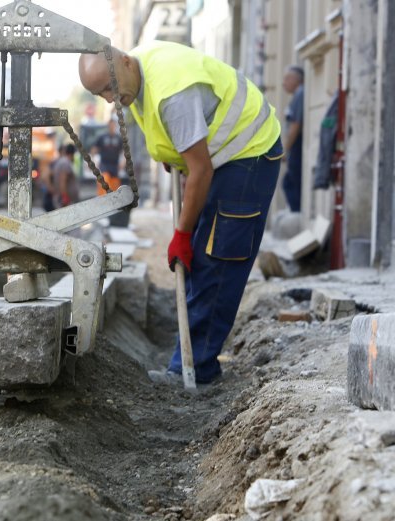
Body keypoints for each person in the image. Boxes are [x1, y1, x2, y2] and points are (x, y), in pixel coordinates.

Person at [80, 41, 282, 385]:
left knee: (216, 259)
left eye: (110, 88)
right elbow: (188, 154)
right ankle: (190, 359)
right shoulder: (138, 79)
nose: (110, 99)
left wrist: (183, 235)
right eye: (100, 94)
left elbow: (200, 170)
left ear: (127, 63)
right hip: (222, 158)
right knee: (203, 259)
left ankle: (195, 370)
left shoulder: (172, 92)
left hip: (249, 152)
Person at [282, 65, 304, 212]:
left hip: (297, 147)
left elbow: (296, 124)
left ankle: (297, 213)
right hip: (295, 147)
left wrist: (286, 149)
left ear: (297, 79)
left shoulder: (300, 94)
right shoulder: (297, 95)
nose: (284, 83)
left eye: (287, 78)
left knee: (290, 182)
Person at [92, 117, 124, 196]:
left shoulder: (118, 138)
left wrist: (123, 162)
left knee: (115, 185)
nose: (112, 127)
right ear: (108, 126)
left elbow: (123, 152)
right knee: (104, 181)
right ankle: (102, 199)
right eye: (110, 125)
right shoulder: (102, 137)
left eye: (113, 125)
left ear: (115, 126)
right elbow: (94, 149)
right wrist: (94, 161)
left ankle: (114, 203)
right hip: (104, 165)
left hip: (115, 165)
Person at [53, 143, 79, 208]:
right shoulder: (66, 163)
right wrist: (65, 198)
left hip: (62, 199)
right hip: (65, 202)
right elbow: (63, 182)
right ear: (72, 154)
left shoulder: (61, 161)